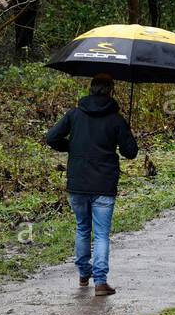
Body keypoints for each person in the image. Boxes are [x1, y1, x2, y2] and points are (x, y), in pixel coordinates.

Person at [46, 73, 138, 296]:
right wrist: (127, 133)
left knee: (82, 228)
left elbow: (51, 138)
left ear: (91, 89)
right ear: (111, 91)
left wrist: (72, 147)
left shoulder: (75, 114)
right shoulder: (116, 119)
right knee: (101, 234)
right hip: (104, 184)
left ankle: (83, 274)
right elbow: (131, 152)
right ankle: (100, 282)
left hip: (77, 182)